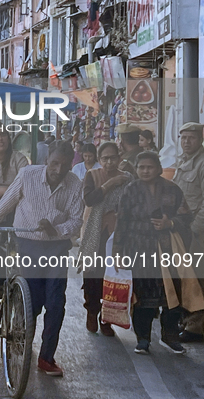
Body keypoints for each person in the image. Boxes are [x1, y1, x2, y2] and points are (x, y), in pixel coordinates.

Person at [0, 141, 84, 376]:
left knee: (55, 302)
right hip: (28, 244)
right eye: (54, 163)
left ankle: (46, 357)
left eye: (64, 165)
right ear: (46, 160)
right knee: (32, 299)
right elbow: (7, 201)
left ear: (71, 164)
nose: (58, 169)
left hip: (57, 248)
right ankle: (21, 340)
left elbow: (76, 220)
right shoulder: (27, 175)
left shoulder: (75, 184)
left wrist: (55, 230)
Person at [113, 151, 203, 355]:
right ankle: (143, 339)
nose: (145, 171)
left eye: (149, 167)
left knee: (172, 297)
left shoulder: (172, 189)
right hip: (138, 249)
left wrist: (169, 223)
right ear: (136, 170)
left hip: (167, 251)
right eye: (141, 167)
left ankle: (170, 336)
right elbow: (122, 222)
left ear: (159, 169)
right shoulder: (130, 190)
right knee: (142, 298)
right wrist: (118, 251)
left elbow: (186, 218)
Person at [173, 122, 204, 343]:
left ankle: (196, 326)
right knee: (183, 276)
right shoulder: (182, 161)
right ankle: (185, 320)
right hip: (179, 228)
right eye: (183, 138)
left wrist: (195, 231)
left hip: (193, 230)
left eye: (191, 138)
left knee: (195, 276)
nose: (186, 142)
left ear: (200, 140)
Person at [79, 142, 133, 336]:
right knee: (93, 275)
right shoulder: (92, 175)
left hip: (119, 233)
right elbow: (89, 199)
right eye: (105, 158)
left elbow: (132, 201)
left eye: (112, 158)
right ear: (99, 160)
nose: (109, 162)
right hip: (96, 232)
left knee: (112, 275)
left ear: (119, 158)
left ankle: (107, 318)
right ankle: (92, 312)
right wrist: (109, 185)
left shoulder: (128, 178)